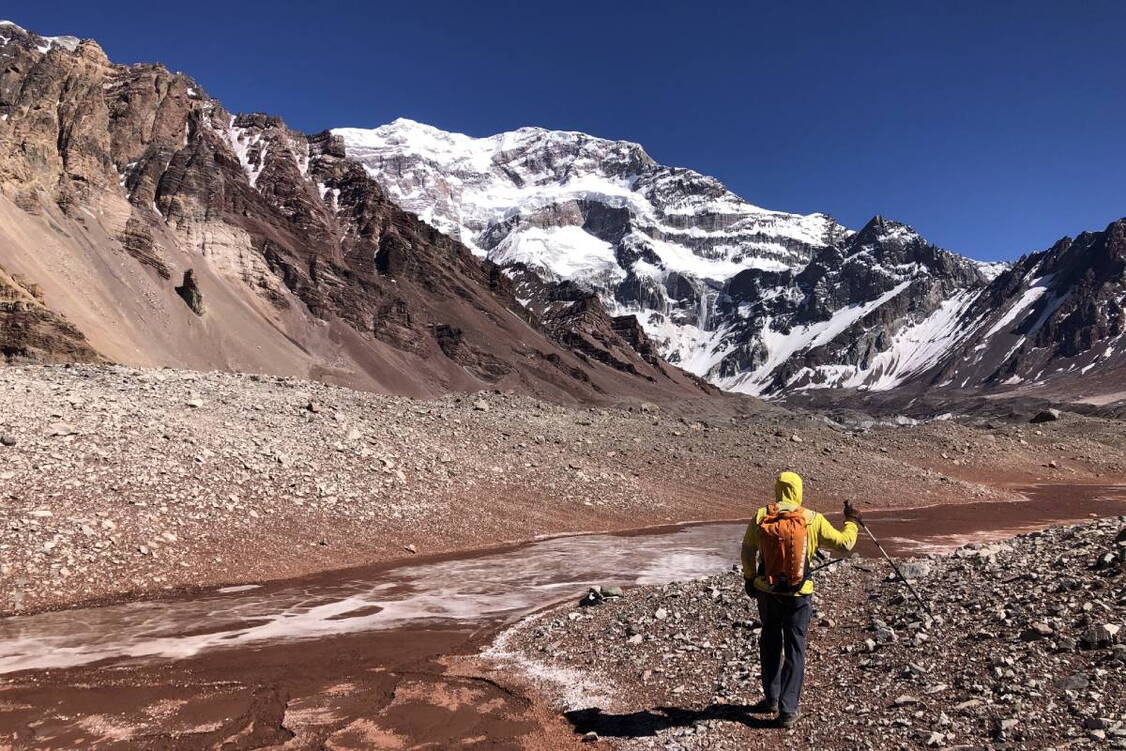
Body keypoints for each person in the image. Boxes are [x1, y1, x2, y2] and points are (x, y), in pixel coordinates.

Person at [740, 471, 862, 728]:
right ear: (799, 490)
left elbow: (748, 550)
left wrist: (750, 579)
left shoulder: (762, 516)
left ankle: (771, 698)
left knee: (770, 641)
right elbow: (844, 544)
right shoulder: (811, 519)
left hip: (767, 591)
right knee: (795, 646)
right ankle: (788, 710)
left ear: (777, 489)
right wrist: (851, 521)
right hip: (799, 593)